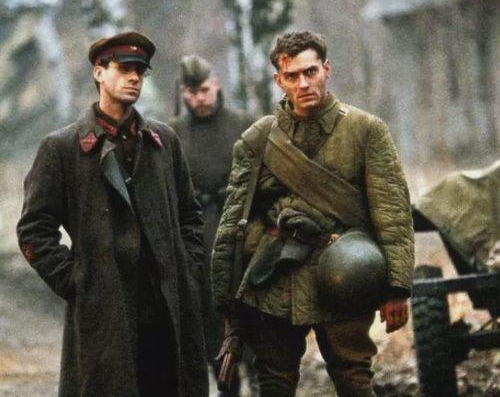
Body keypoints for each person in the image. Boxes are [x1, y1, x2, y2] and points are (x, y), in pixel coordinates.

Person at [211, 31, 415, 397]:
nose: (303, 84)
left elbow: (392, 213)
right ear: (279, 80)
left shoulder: (365, 131)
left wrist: (397, 288)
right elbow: (234, 221)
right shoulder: (257, 140)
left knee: (353, 376)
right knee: (273, 380)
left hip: (346, 271)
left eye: (311, 72)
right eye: (292, 76)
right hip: (276, 276)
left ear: (327, 70)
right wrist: (226, 300)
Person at [16, 31, 208, 397]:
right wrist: (78, 280)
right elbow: (34, 230)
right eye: (124, 68)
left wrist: (186, 269)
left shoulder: (163, 142)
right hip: (105, 315)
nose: (134, 77)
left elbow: (190, 215)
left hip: (166, 311)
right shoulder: (63, 148)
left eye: (140, 71)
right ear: (99, 72)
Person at [169, 54, 256, 397]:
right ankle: (226, 386)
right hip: (198, 236)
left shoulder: (244, 125)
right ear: (183, 93)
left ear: (217, 85)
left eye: (204, 90)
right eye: (192, 93)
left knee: (253, 311)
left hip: (243, 230)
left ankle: (260, 381)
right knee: (209, 316)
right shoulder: (174, 134)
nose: (200, 99)